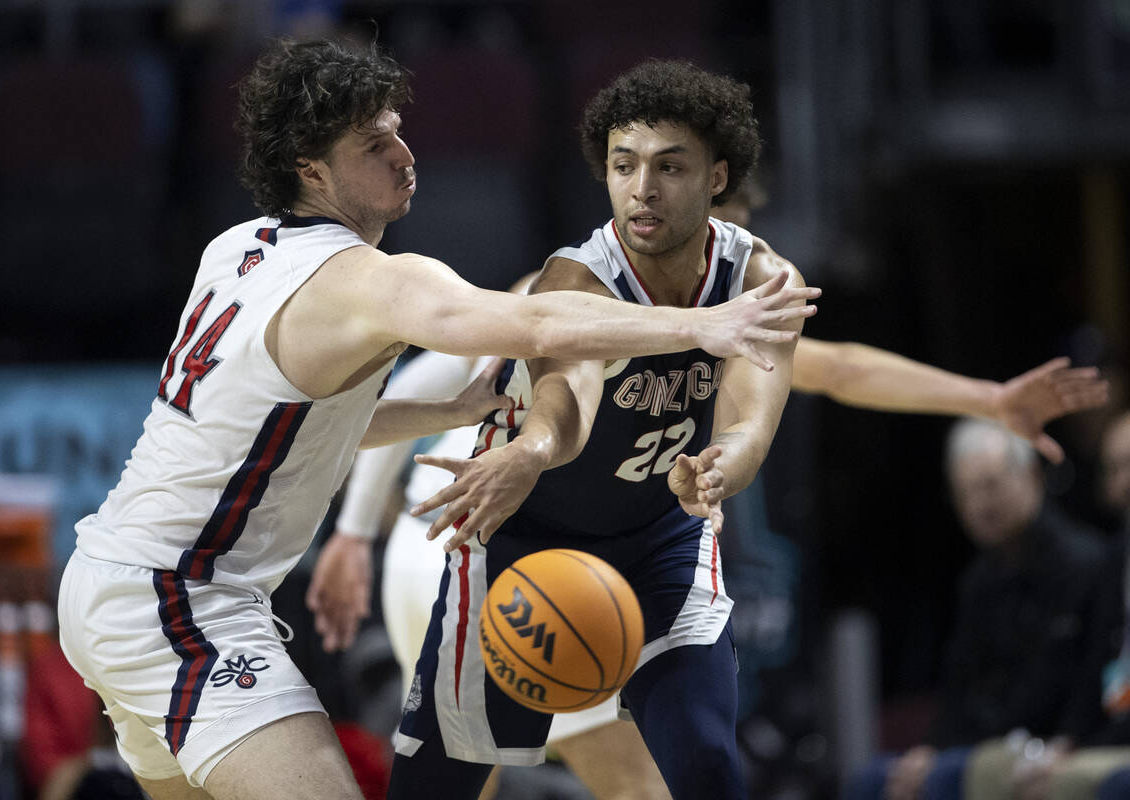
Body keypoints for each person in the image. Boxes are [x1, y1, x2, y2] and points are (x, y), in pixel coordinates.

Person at [55, 38, 818, 800]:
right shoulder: (368, 280)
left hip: (107, 579)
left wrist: (448, 412)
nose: (404, 154)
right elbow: (540, 327)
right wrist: (704, 328)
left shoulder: (238, 250)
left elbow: (286, 431)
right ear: (310, 169)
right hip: (182, 599)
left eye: (397, 129)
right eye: (373, 144)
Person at [309, 212, 1108, 800]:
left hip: (458, 543)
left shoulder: (711, 308)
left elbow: (832, 368)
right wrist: (351, 533)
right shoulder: (582, 292)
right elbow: (425, 381)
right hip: (492, 546)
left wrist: (989, 398)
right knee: (634, 783)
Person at [378, 58, 814, 800]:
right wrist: (532, 451)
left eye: (669, 167)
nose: (642, 188)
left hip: (660, 542)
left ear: (717, 178)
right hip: (525, 539)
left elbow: (751, 423)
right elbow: (566, 398)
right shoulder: (576, 278)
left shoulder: (761, 282)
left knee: (709, 766)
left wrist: (717, 469)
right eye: (623, 165)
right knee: (432, 791)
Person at [845, 418, 1107, 800]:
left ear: (1031, 476)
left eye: (990, 486)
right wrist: (930, 750)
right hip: (979, 743)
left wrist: (948, 755)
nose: (979, 505)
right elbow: (959, 683)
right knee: (870, 779)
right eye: (965, 493)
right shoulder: (980, 577)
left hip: (1039, 740)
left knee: (942, 779)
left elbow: (1060, 688)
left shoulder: (1085, 565)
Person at [960, 409, 1130, 800]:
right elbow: (1094, 670)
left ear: (1031, 478)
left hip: (1114, 734)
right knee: (989, 767)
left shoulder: (1080, 560)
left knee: (1069, 781)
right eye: (1114, 469)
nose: (1122, 485)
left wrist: (1082, 745)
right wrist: (1069, 741)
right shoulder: (1117, 554)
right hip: (1105, 725)